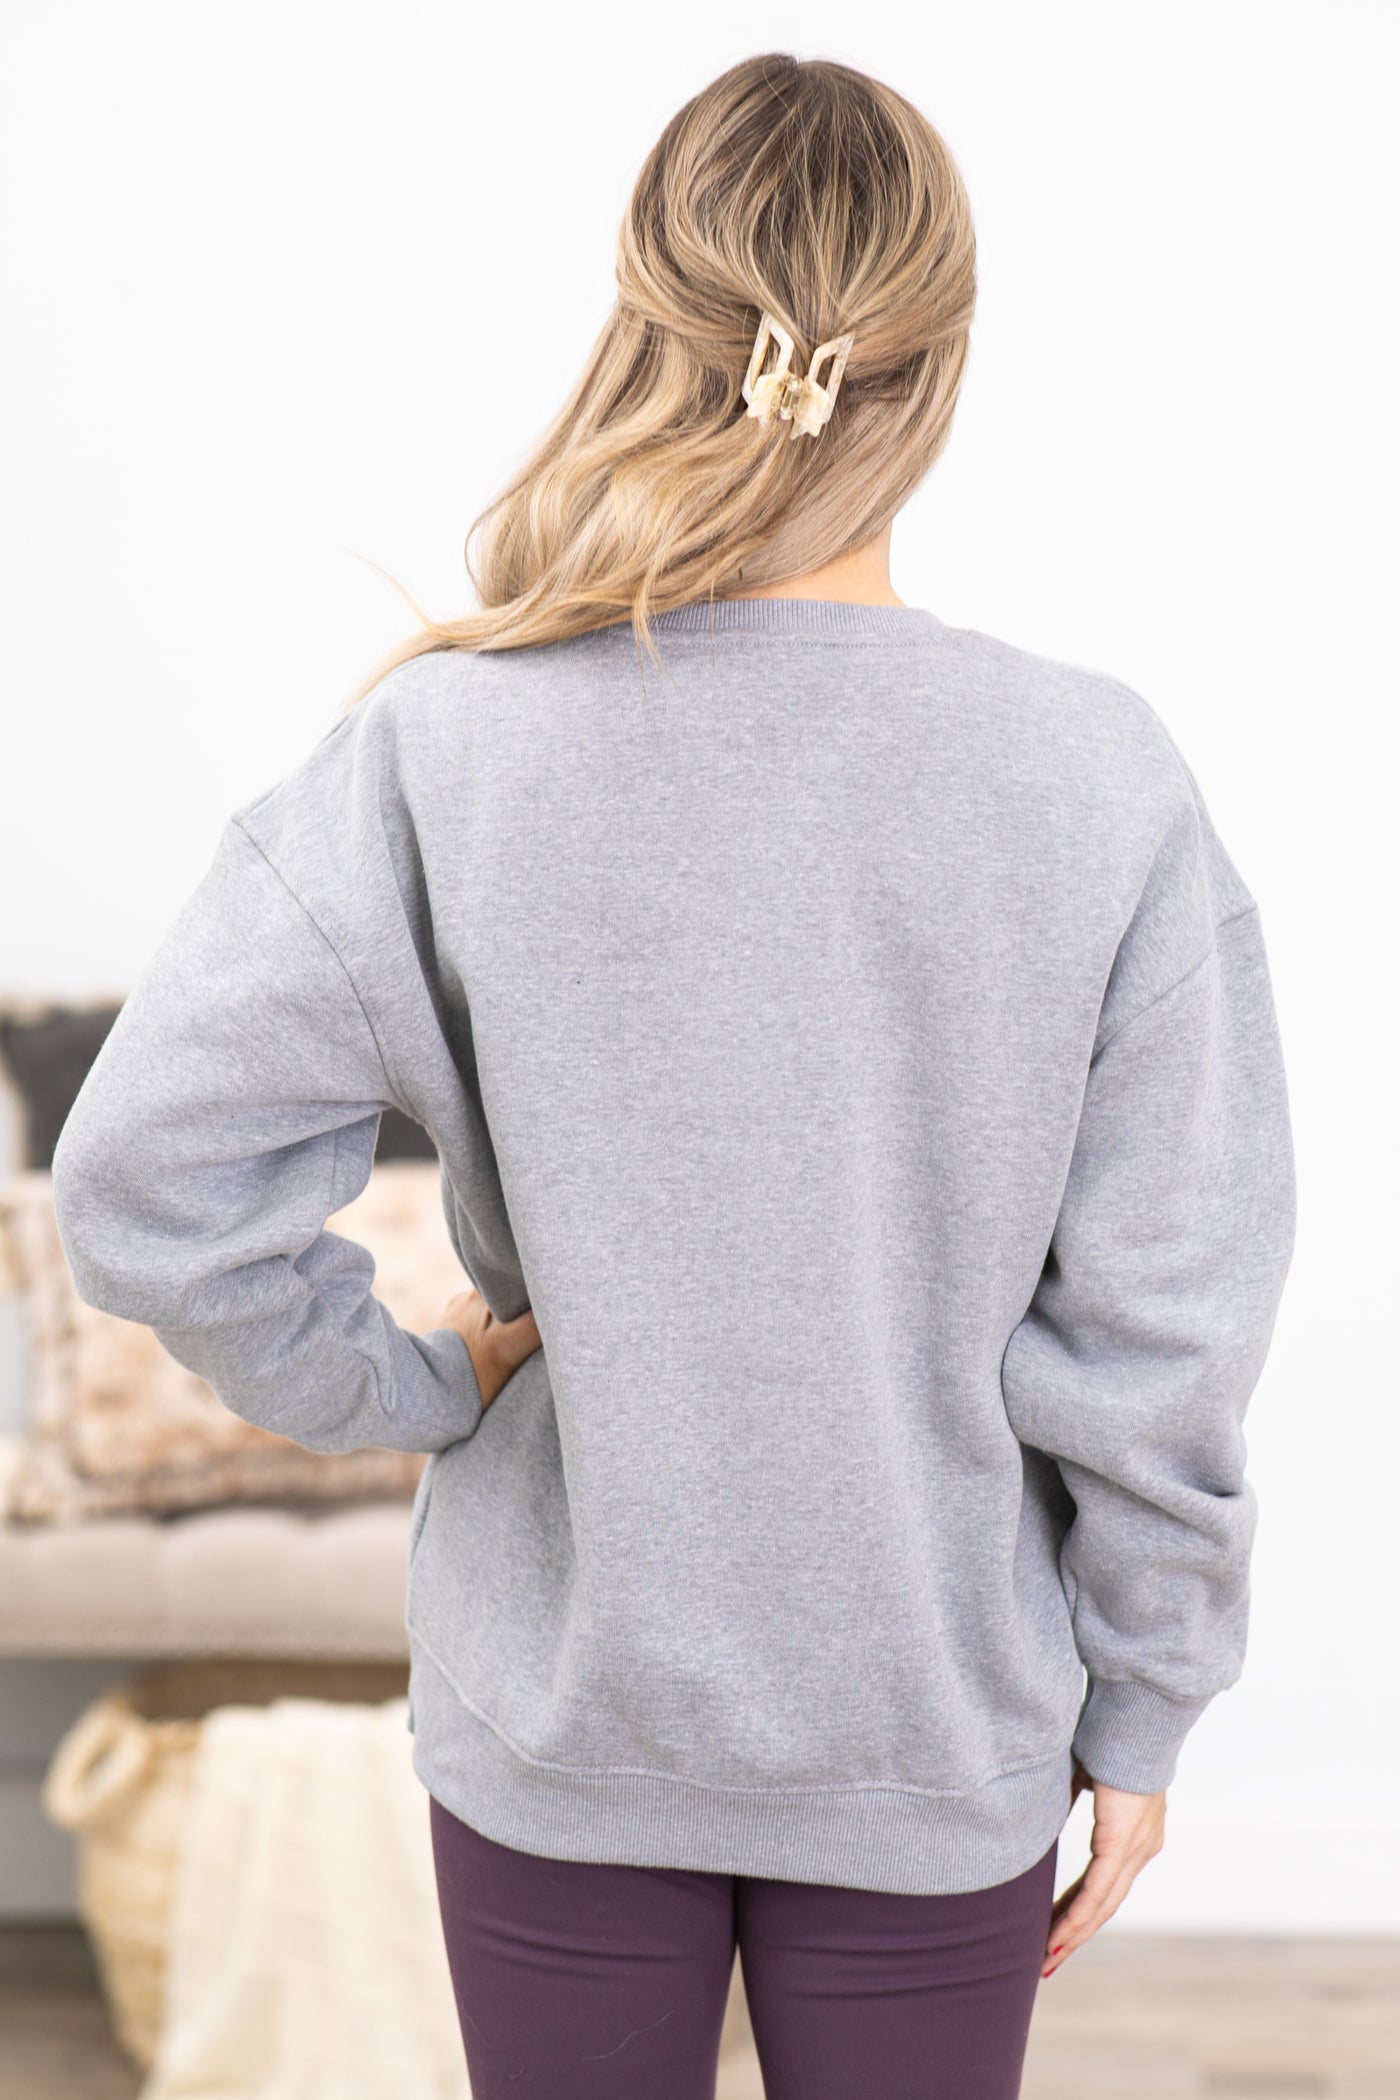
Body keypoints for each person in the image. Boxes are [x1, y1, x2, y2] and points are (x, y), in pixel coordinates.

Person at [50, 49, 1296, 2100]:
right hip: (931, 1727)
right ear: (938, 365)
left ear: (649, 323)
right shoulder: (1096, 781)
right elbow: (1164, 1329)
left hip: (564, 1723)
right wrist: (1145, 1704)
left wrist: (413, 1384)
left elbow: (144, 1187)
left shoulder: (448, 750)